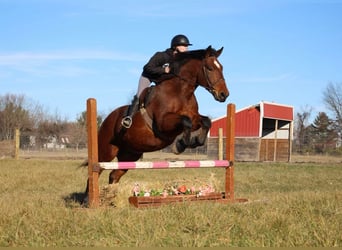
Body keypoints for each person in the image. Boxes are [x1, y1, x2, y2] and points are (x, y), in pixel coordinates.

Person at [122, 34, 192, 128]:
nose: (186, 48)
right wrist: (164, 70)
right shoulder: (162, 55)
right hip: (149, 76)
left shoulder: (181, 61)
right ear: (175, 47)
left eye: (187, 46)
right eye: (184, 46)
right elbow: (147, 68)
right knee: (140, 96)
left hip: (162, 81)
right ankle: (128, 118)